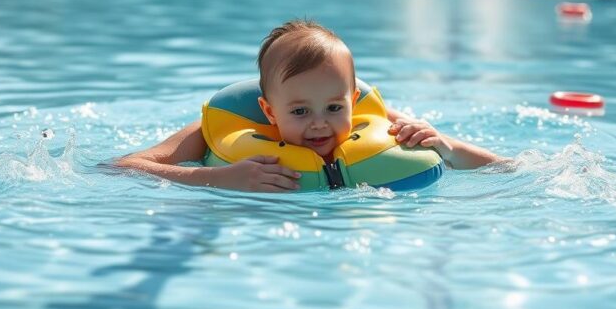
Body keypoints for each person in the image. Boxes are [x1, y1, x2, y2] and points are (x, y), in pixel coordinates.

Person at [115, 20, 509, 191]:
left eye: (334, 108)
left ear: (353, 101)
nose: (320, 124)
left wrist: (445, 146)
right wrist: (217, 179)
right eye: (300, 112)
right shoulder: (219, 129)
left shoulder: (380, 123)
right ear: (270, 112)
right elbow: (123, 168)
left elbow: (500, 167)